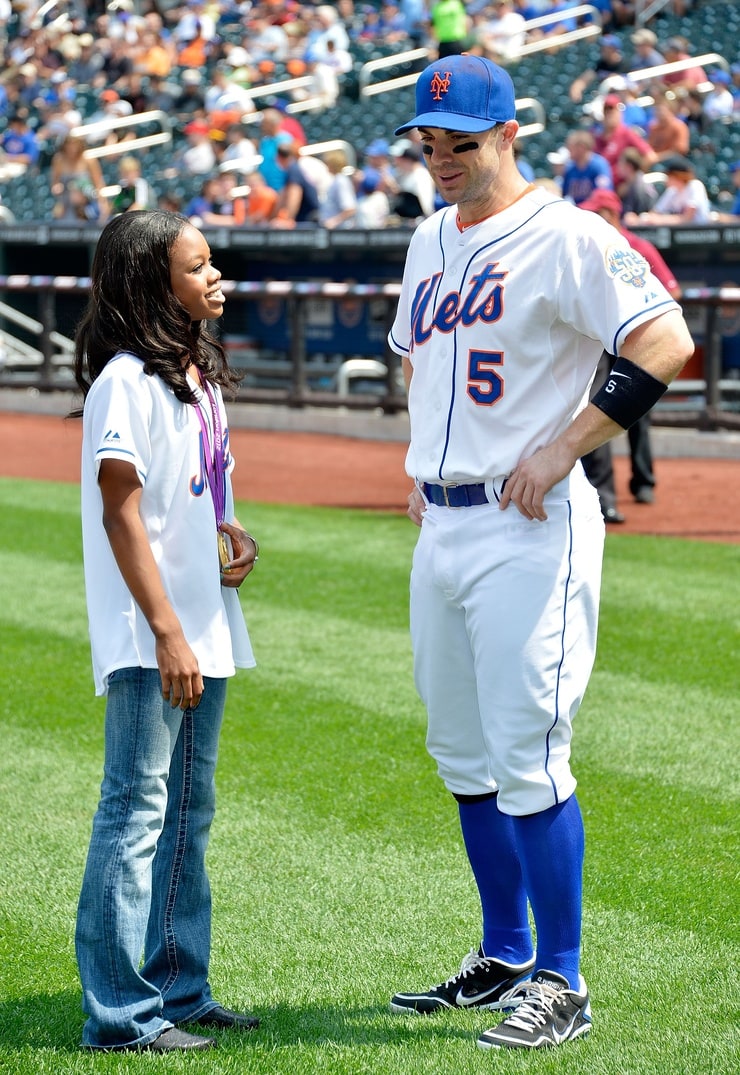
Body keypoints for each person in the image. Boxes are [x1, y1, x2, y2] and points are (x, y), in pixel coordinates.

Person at [386, 54, 693, 1051]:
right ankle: (506, 951)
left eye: (459, 142)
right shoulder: (429, 236)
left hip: (527, 529)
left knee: (527, 754)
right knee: (462, 754)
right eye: (428, 143)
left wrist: (565, 444)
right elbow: (418, 364)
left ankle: (563, 978)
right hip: (441, 521)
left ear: (509, 133)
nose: (440, 158)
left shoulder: (566, 236)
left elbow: (662, 339)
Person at [72, 210, 260, 1053]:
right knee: (136, 809)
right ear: (155, 284)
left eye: (211, 261)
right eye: (198, 265)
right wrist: (165, 629)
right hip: (156, 633)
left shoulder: (193, 374)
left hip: (199, 622)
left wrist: (229, 532)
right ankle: (120, 1014)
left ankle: (180, 989)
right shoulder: (124, 380)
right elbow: (121, 511)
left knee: (188, 810)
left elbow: (183, 496)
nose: (215, 275)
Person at [578, 188, 683, 518]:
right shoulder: (587, 248)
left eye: (597, 212)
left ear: (612, 215)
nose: (591, 218)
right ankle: (603, 495)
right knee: (596, 409)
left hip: (633, 344)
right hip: (597, 343)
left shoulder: (638, 247)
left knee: (638, 413)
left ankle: (644, 482)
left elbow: (672, 289)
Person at [625, 154, 713, 226]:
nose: (667, 179)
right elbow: (655, 213)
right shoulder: (672, 191)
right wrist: (639, 219)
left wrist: (658, 220)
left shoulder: (695, 186)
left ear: (677, 176)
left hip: (700, 233)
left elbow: (687, 218)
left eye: (669, 176)